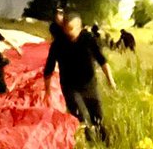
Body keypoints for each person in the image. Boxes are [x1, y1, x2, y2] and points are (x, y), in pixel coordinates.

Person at [43, 11, 116, 141]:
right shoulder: (58, 44)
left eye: (72, 29)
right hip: (70, 87)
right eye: (66, 29)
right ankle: (90, 144)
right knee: (81, 118)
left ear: (80, 28)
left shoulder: (88, 39)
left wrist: (110, 80)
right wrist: (47, 92)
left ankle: (105, 143)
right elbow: (48, 69)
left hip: (90, 85)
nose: (69, 33)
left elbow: (102, 60)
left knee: (98, 117)